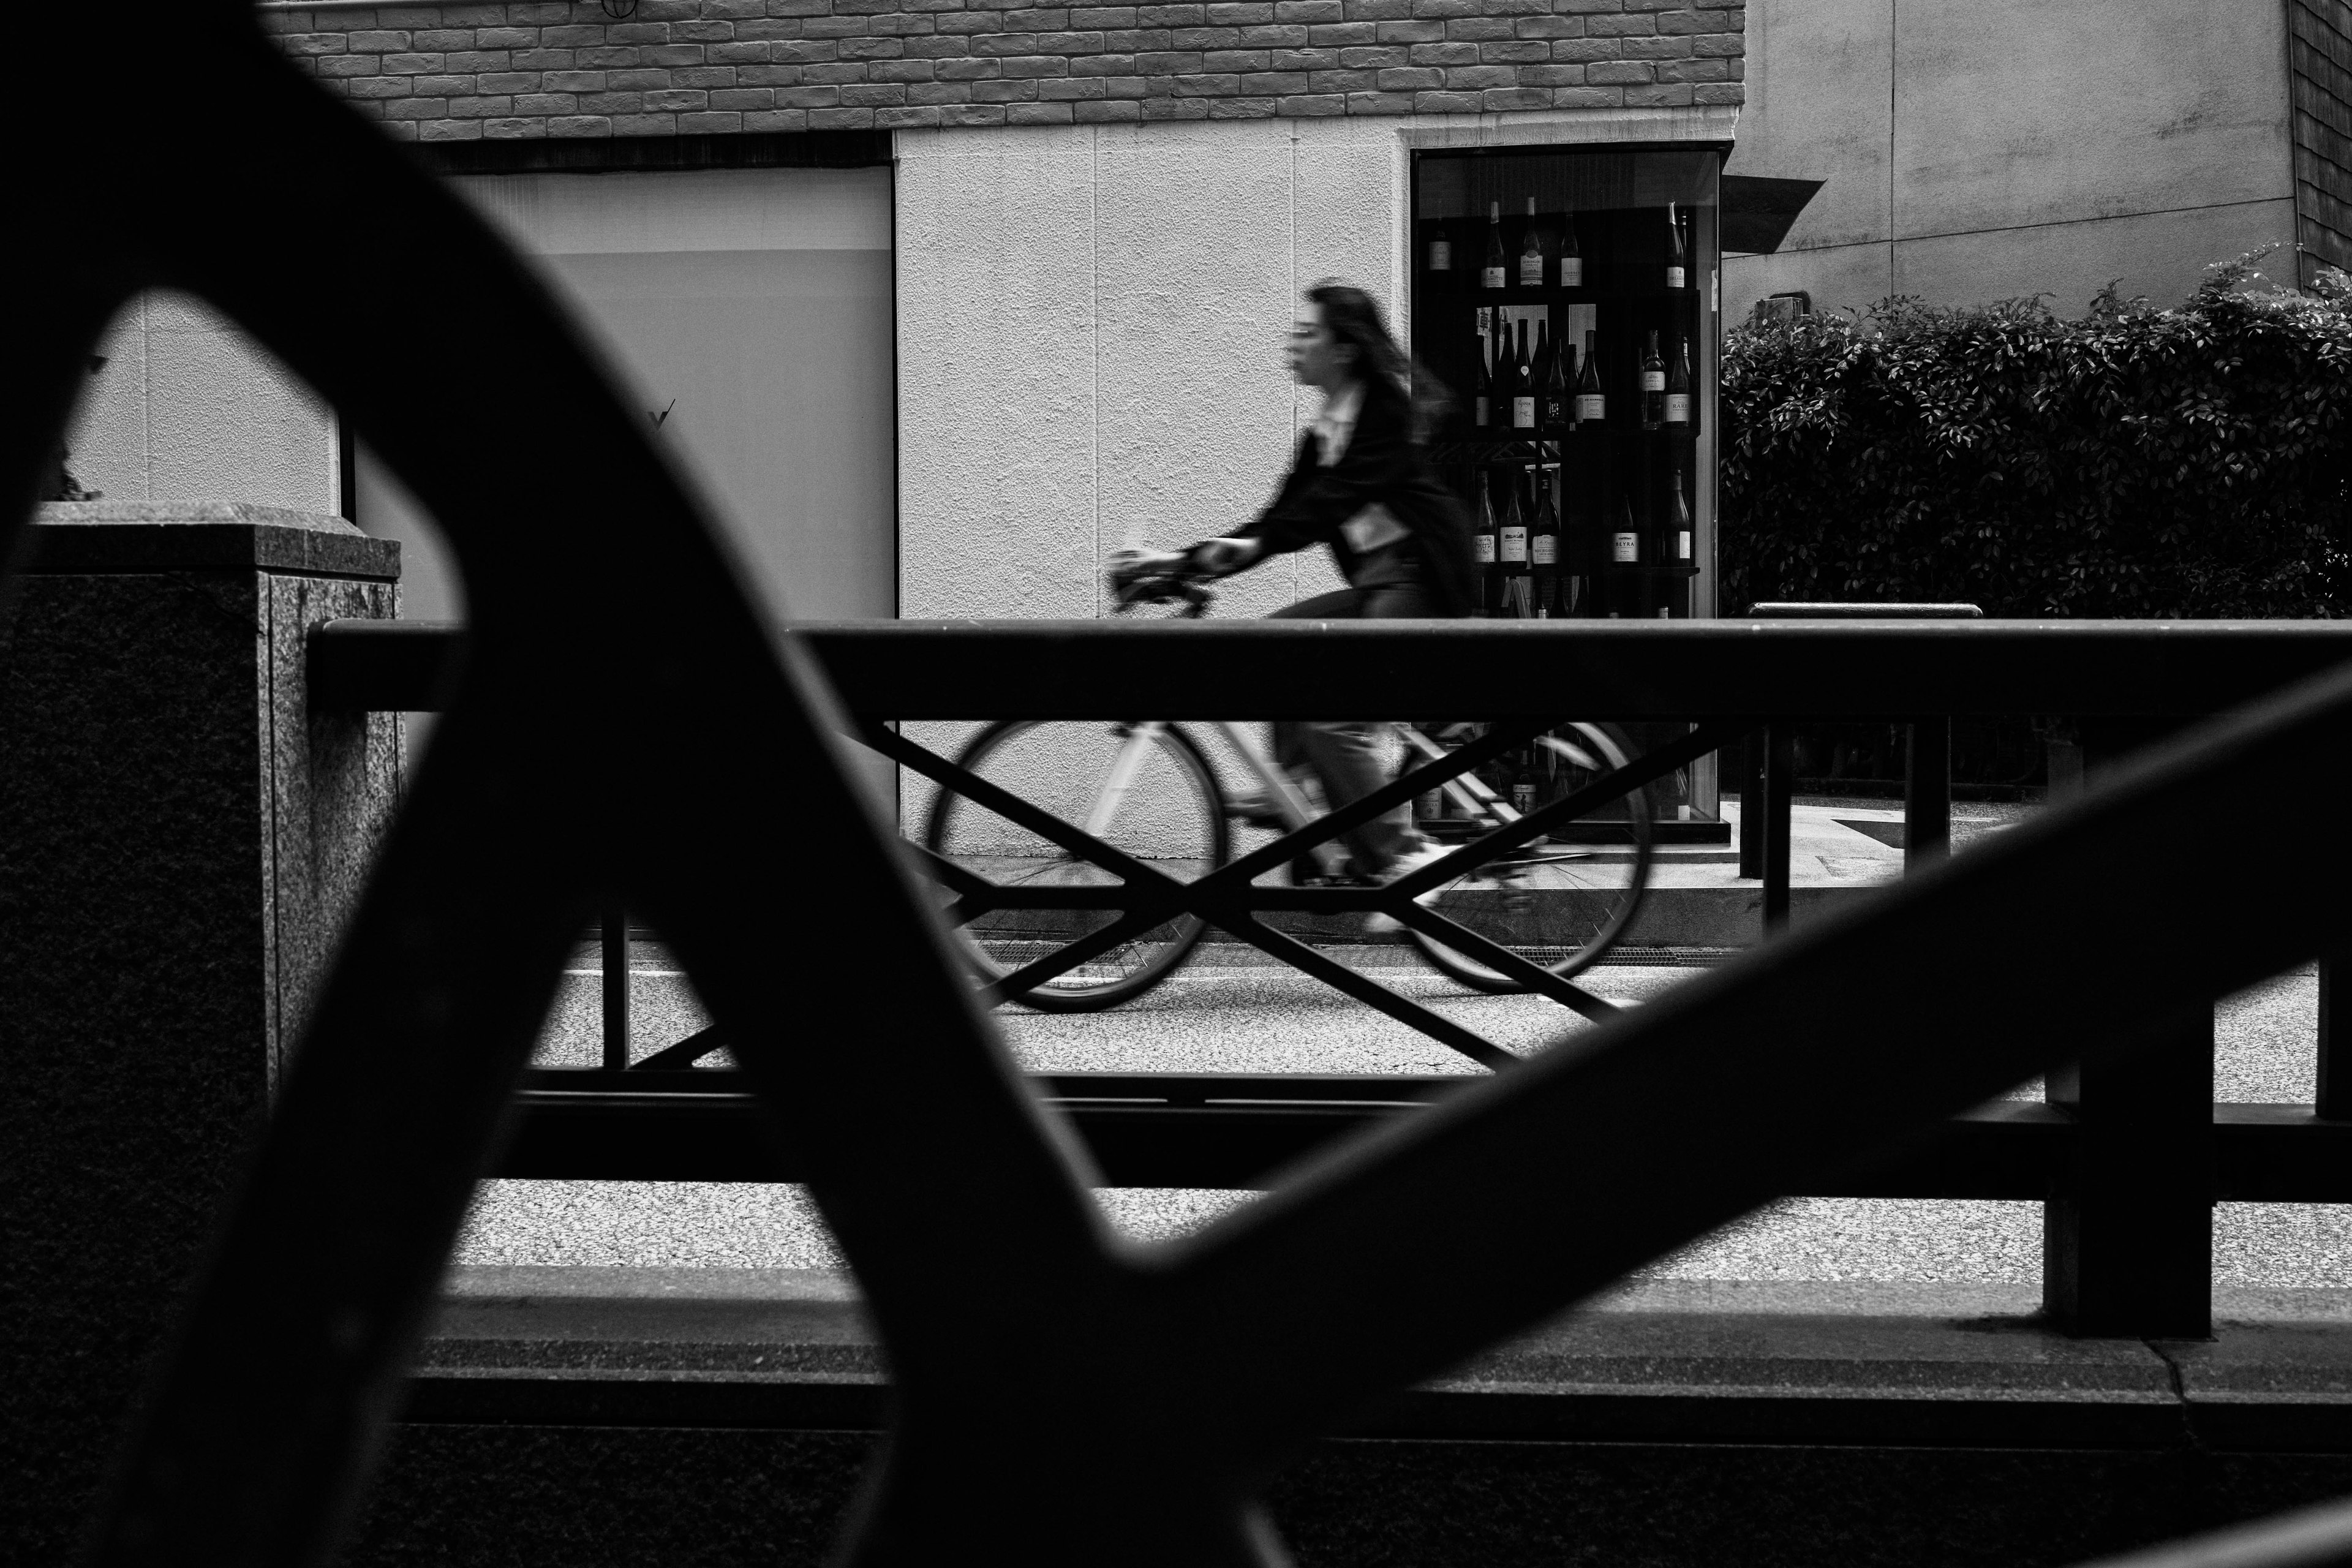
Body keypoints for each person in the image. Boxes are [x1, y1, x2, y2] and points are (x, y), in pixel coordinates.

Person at [1153, 281, 1474, 902]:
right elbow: (1278, 521)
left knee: (1335, 717)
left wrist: (1239, 549)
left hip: (1421, 582)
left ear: (1345, 349)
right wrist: (1183, 561)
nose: (1293, 345)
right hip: (1381, 584)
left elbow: (1328, 505)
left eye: (1307, 333)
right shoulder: (1325, 433)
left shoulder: (1385, 413)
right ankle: (1299, 787)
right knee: (1280, 643)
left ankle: (1405, 858)